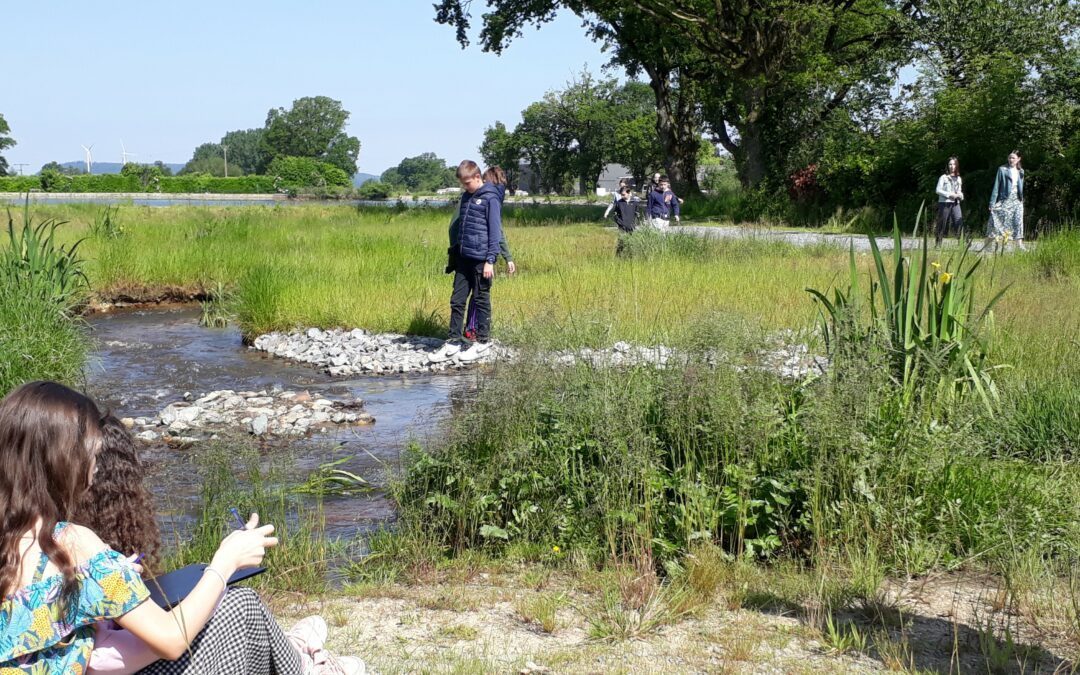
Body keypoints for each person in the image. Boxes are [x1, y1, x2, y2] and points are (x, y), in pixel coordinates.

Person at [0, 381, 306, 675]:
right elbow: (172, 639)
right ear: (64, 461)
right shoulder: (72, 543)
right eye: (91, 456)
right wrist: (226, 562)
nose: (94, 467)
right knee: (239, 607)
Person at [76, 416, 361, 675]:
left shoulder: (50, 539)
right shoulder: (79, 544)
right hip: (130, 662)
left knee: (222, 606)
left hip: (123, 651)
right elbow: (110, 657)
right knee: (239, 605)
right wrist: (223, 565)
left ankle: (292, 651)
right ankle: (302, 664)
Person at [430, 160, 503, 363]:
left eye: (467, 182)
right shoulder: (466, 197)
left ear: (478, 177)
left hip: (482, 260)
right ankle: (453, 341)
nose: (465, 187)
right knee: (457, 300)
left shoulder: (491, 199)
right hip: (463, 258)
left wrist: (491, 260)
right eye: (463, 183)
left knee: (481, 300)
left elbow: (495, 232)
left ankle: (482, 342)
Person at [987, 150, 1026, 249]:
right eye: (1009, 157)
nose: (1011, 160)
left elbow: (1020, 187)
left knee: (1018, 221)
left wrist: (1021, 199)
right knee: (995, 218)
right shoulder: (1002, 169)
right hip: (1005, 199)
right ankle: (988, 243)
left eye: (1013, 158)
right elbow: (996, 187)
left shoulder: (1021, 171)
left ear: (1018, 159)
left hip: (1017, 200)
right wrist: (992, 203)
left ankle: (1019, 245)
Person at [934, 157, 964, 246]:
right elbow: (938, 190)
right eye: (950, 164)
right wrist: (949, 194)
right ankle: (938, 244)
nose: (952, 166)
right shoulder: (943, 177)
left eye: (954, 164)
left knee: (959, 222)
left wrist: (960, 196)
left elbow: (959, 191)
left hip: (956, 203)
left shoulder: (959, 178)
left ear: (957, 165)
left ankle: (961, 244)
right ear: (948, 166)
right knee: (942, 223)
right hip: (944, 203)